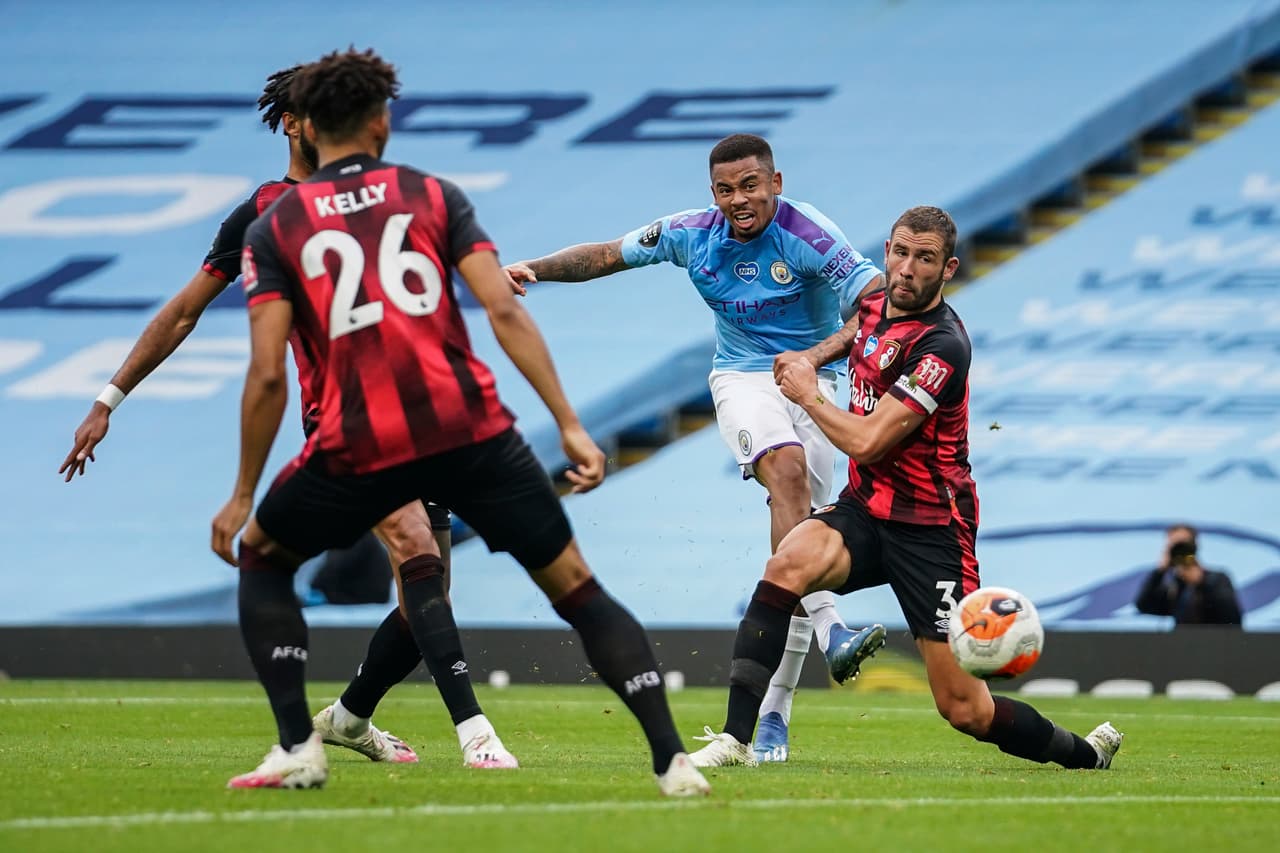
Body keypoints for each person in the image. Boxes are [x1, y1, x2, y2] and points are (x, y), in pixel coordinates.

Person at [212, 47, 709, 796]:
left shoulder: (276, 225)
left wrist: (243, 489)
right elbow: (504, 306)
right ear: (382, 122)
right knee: (577, 587)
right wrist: (568, 424)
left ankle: (297, 746)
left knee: (263, 556)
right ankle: (672, 762)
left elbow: (267, 373)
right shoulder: (432, 194)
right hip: (470, 431)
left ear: (310, 129)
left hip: (359, 441)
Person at [55, 64, 516, 770]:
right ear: (290, 124)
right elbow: (184, 312)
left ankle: (350, 716)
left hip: (421, 414)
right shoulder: (265, 211)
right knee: (413, 545)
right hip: (343, 417)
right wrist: (107, 398)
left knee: (425, 592)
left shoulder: (380, 199)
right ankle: (476, 733)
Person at [687, 206, 1124, 771]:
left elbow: (868, 442)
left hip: (932, 530)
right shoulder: (873, 302)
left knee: (967, 710)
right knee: (784, 567)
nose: (906, 268)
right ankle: (736, 740)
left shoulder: (944, 346)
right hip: (867, 510)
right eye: (899, 252)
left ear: (948, 270)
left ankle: (1087, 756)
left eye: (924, 259)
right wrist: (813, 357)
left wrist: (807, 394)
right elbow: (859, 331)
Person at [504, 133, 887, 762]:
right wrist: (535, 269)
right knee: (785, 475)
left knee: (800, 547)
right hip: (743, 377)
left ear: (776, 183)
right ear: (713, 193)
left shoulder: (810, 234)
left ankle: (773, 717)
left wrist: (813, 361)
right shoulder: (690, 233)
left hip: (818, 382)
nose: (739, 200)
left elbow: (872, 306)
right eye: (725, 189)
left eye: (750, 186)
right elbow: (607, 254)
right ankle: (831, 630)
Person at [1135, 525, 1243, 627]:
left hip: (1215, 643)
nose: (1179, 550)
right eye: (1174, 545)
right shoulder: (1174, 587)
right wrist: (1160, 571)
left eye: (1183, 544)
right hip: (1181, 644)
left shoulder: (1218, 579)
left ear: (1194, 546)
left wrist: (1202, 583)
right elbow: (1143, 605)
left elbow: (1233, 619)